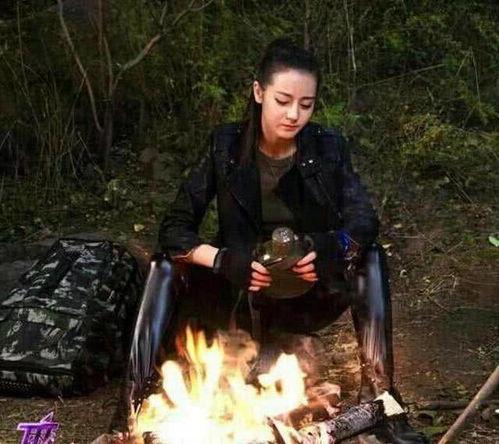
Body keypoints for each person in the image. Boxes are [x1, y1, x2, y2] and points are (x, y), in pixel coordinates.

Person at [158, 38, 428, 444]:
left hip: (308, 297)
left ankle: (381, 397)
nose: (293, 114)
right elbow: (173, 228)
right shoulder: (225, 145)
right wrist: (222, 259)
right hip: (239, 297)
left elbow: (363, 222)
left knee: (371, 256)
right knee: (162, 265)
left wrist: (330, 247)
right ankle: (133, 402)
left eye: (306, 104)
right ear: (259, 92)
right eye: (283, 100)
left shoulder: (328, 147)